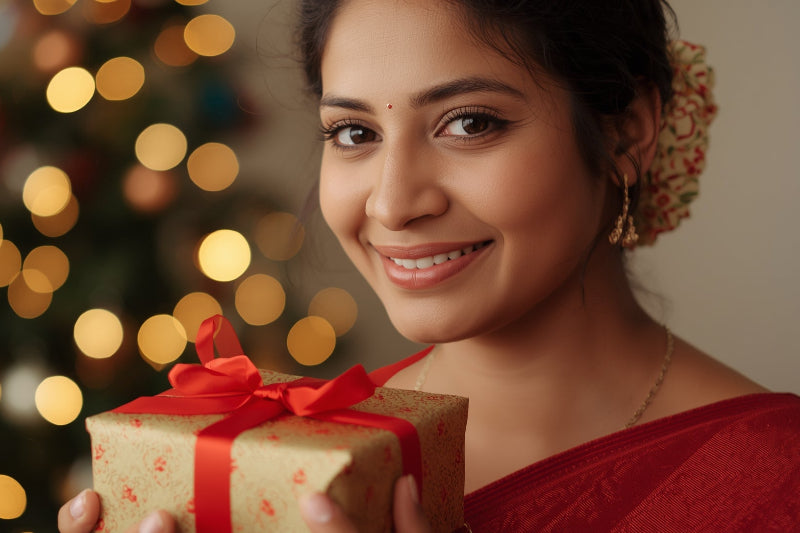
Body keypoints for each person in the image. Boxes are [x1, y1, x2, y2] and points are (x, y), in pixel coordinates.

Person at [59, 0, 800, 531]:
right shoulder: (294, 452)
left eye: (469, 123)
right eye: (354, 132)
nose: (391, 201)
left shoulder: (775, 482)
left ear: (626, 133)